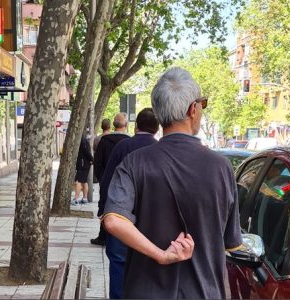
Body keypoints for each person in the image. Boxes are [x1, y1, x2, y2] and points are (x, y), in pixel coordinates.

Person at [102, 67, 242, 299]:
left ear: (158, 112)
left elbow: (113, 221)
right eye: (202, 105)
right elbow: (230, 242)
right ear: (193, 109)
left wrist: (161, 254)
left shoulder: (134, 163)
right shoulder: (221, 167)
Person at [99, 108, 159, 299]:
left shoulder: (122, 147)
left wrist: (103, 210)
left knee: (118, 265)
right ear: (157, 129)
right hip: (151, 224)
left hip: (120, 219)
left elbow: (107, 181)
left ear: (135, 127)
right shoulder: (161, 150)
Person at [91, 113, 129, 245]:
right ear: (126, 125)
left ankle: (103, 235)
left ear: (114, 125)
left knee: (106, 205)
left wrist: (102, 178)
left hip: (107, 180)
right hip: (125, 182)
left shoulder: (105, 141)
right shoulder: (129, 142)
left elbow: (98, 162)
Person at [71, 134, 93, 205]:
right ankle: (84, 199)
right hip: (85, 163)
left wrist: (92, 159)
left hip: (82, 164)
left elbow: (86, 152)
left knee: (78, 181)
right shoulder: (84, 140)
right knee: (84, 181)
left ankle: (76, 199)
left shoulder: (82, 141)